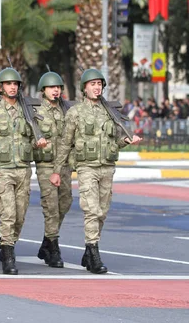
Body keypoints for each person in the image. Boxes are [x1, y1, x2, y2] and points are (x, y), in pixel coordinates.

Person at [50, 69, 141, 274]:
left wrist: (126, 141)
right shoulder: (76, 112)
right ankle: (93, 251)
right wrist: (57, 171)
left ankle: (88, 252)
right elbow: (65, 143)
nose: (97, 87)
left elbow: (117, 139)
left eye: (99, 84)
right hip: (86, 167)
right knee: (91, 210)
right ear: (84, 87)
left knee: (102, 212)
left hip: (107, 167)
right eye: (92, 84)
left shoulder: (110, 111)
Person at [0, 67, 47, 275]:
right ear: (0, 88)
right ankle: (8, 254)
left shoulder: (28, 112)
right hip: (2, 170)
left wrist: (38, 143)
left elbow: (31, 139)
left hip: (23, 169)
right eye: (8, 84)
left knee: (20, 215)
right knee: (7, 213)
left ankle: (7, 242)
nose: (12, 87)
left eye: (15, 84)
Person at [34, 70, 73, 268]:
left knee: (65, 203)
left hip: (64, 165)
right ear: (44, 90)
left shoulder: (67, 110)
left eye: (57, 87)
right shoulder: (35, 111)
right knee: (51, 207)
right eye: (51, 88)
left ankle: (46, 242)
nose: (55, 91)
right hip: (46, 165)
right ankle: (54, 248)